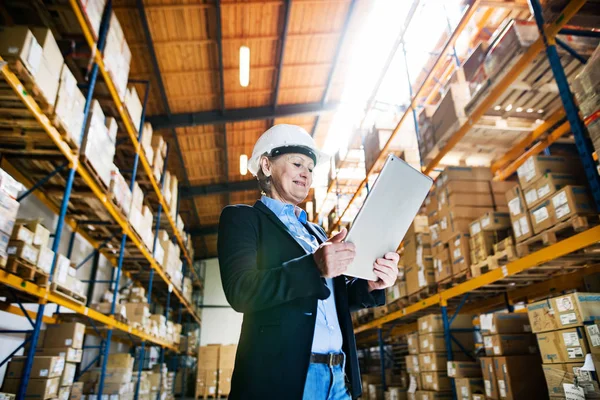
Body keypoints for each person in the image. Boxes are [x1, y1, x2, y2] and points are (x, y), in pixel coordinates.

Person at [217, 124, 399, 399]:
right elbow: (241, 290)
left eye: (311, 168)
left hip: (338, 377)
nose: (306, 173)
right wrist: (313, 266)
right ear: (266, 165)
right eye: (298, 163)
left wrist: (369, 285)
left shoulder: (317, 233)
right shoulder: (243, 219)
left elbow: (330, 300)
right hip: (286, 381)